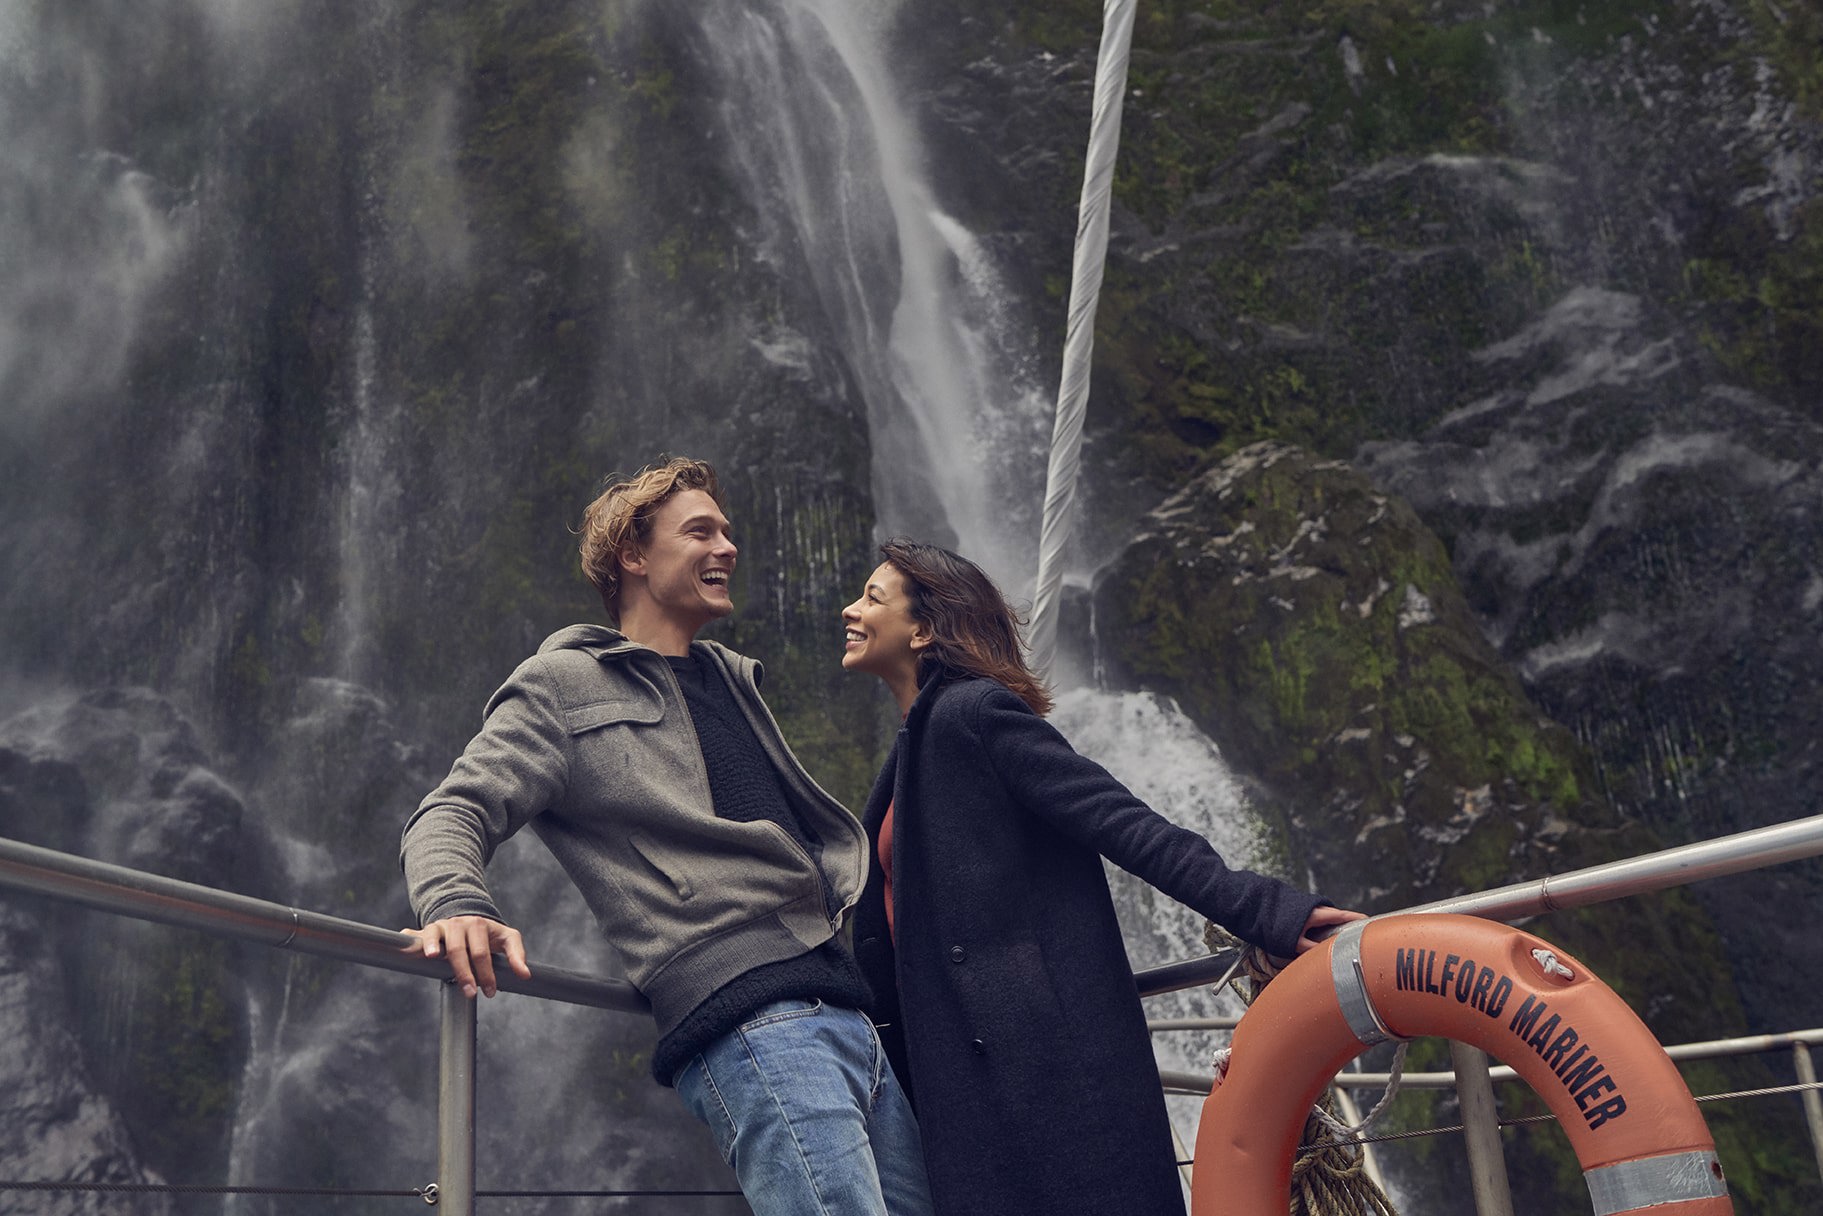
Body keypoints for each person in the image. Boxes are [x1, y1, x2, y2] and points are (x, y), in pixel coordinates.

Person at [400, 458, 935, 1216]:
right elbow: (450, 811)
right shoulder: (561, 684)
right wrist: (456, 902)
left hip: (846, 1012)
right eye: (700, 531)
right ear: (634, 555)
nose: (727, 547)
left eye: (728, 531)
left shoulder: (728, 679)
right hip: (756, 1021)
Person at [838, 539, 1364, 1216]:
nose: (850, 610)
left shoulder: (975, 714)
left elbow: (1122, 822)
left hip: (1045, 1081)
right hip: (967, 1087)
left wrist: (1267, 912)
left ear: (923, 627)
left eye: (872, 598)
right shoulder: (913, 746)